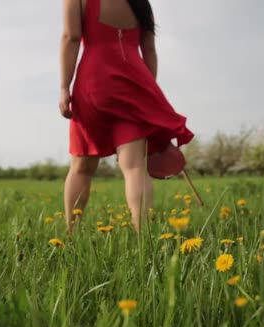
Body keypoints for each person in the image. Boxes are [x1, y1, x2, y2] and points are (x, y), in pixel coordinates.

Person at [59, 0, 194, 233]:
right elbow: (149, 49)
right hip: (135, 83)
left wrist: (64, 87)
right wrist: (146, 92)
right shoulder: (141, 3)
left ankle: (70, 237)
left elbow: (71, 38)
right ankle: (144, 239)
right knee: (134, 167)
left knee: (82, 166)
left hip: (94, 82)